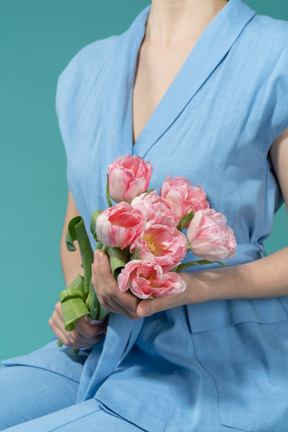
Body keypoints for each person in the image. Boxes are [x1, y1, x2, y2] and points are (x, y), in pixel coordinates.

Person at [1, 0, 288, 430]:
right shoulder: (86, 71)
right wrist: (81, 310)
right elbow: (77, 228)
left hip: (222, 371)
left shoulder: (275, 56)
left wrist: (192, 287)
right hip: (97, 354)